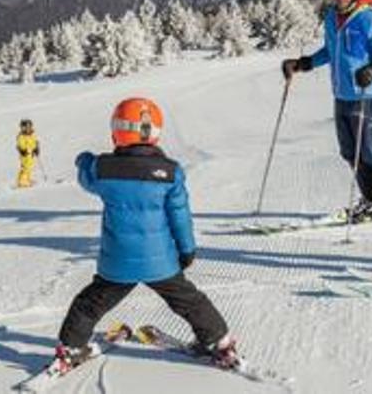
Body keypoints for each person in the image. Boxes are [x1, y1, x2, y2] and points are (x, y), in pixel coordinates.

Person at [51, 97, 239, 373]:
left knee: (88, 305)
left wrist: (83, 159)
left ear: (118, 130)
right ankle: (220, 344)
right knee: (189, 301)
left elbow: (85, 174)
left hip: (117, 264)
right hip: (161, 262)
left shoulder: (102, 169)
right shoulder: (171, 172)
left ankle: (71, 349)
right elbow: (180, 215)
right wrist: (186, 250)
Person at [281, 0, 372, 222]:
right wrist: (305, 63)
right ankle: (371, 199)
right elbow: (331, 51)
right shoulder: (332, 17)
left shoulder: (368, 19)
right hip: (342, 95)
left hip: (366, 94)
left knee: (370, 150)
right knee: (350, 152)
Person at [16, 119, 39, 188]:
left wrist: (36, 149)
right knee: (25, 167)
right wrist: (22, 150)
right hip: (25, 155)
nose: (28, 129)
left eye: (29, 127)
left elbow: (35, 142)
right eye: (26, 127)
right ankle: (22, 181)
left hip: (31, 154)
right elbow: (19, 144)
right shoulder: (21, 136)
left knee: (29, 167)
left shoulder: (32, 135)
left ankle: (27, 179)